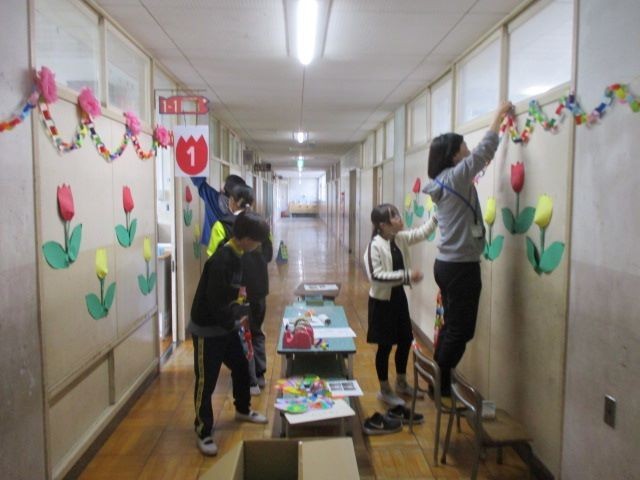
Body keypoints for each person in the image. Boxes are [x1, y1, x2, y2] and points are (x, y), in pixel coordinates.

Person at [422, 101, 513, 396]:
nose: (468, 150)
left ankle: (439, 379)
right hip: (461, 267)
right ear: (454, 155)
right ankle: (441, 382)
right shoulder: (457, 175)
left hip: (447, 264)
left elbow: (479, 154)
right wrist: (498, 115)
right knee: (462, 331)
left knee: (452, 326)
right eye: (463, 147)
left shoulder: (443, 180)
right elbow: (485, 151)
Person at [189, 211, 270, 456]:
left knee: (242, 365)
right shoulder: (221, 260)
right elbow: (216, 303)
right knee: (207, 380)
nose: (258, 245)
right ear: (246, 238)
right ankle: (203, 431)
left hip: (227, 325)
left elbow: (235, 293)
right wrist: (236, 317)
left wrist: (240, 314)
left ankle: (243, 409)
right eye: (257, 240)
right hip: (208, 329)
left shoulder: (240, 254)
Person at [364, 204, 438, 408]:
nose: (399, 218)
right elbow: (376, 277)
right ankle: (384, 389)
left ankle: (401, 382)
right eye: (394, 216)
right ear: (382, 224)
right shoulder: (374, 246)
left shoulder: (399, 238)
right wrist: (406, 275)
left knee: (405, 341)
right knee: (385, 346)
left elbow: (421, 233)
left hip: (398, 298)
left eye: (397, 214)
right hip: (381, 303)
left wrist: (437, 217)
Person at [191, 174, 246, 246]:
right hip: (231, 246)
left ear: (225, 188)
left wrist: (200, 169)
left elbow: (199, 181)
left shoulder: (213, 197)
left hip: (212, 244)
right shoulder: (240, 206)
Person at [206, 184, 254, 257]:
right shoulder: (261, 224)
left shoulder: (221, 225)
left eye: (230, 198)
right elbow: (268, 253)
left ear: (233, 201)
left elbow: (212, 256)